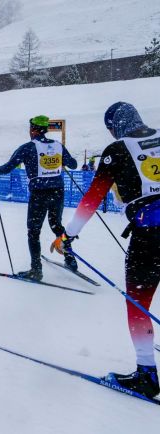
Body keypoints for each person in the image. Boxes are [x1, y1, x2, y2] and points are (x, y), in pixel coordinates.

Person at [51, 102, 160, 398]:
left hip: (150, 235)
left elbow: (92, 198)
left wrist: (68, 235)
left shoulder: (117, 150)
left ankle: (147, 375)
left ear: (114, 127)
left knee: (138, 304)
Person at [0, 115, 78, 280]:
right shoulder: (58, 145)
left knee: (34, 232)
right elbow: (74, 164)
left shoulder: (27, 148)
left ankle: (36, 270)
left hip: (39, 193)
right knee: (57, 225)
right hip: (57, 191)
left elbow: (7, 168)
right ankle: (70, 259)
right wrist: (58, 160)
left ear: (33, 130)